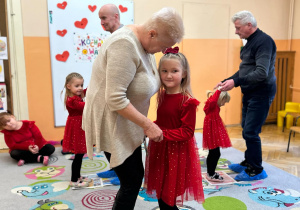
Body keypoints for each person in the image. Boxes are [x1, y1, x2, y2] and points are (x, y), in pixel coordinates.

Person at [82, 7, 184, 210]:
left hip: (128, 122)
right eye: (163, 45)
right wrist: (148, 125)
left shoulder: (144, 45)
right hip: (113, 122)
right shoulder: (124, 43)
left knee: (134, 177)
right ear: (152, 33)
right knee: (131, 182)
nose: (163, 51)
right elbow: (115, 98)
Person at [216, 10, 276, 181]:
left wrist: (235, 83)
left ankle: (256, 170)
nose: (236, 31)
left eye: (238, 28)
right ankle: (248, 162)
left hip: (261, 92)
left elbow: (262, 73)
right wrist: (227, 81)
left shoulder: (264, 42)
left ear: (249, 25)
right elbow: (245, 69)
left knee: (251, 131)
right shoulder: (250, 41)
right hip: (250, 91)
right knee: (246, 128)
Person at [144, 47, 204, 209]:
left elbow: (187, 132)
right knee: (161, 192)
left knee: (168, 196)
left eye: (174, 71)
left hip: (176, 152)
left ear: (184, 73)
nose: (168, 75)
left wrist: (161, 133)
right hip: (160, 148)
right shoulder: (162, 95)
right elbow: (164, 120)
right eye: (164, 71)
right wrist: (150, 126)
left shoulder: (187, 101)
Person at [96, 3, 124, 184]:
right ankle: (116, 169)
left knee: (119, 138)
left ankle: (122, 174)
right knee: (109, 136)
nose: (101, 22)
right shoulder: (113, 37)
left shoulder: (124, 37)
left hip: (120, 98)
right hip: (107, 97)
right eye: (99, 19)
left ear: (116, 16)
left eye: (104, 18)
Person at [61, 72, 91, 188]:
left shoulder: (76, 96)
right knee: (78, 155)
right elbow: (84, 106)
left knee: (80, 154)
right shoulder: (72, 100)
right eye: (77, 86)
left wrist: (94, 85)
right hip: (77, 127)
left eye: (81, 85)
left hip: (80, 125)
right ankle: (74, 180)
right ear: (69, 86)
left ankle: (77, 176)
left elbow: (86, 92)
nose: (80, 88)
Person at [202, 87, 231, 182]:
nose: (223, 104)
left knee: (214, 153)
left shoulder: (214, 106)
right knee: (215, 153)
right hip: (211, 132)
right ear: (219, 98)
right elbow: (213, 100)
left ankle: (211, 172)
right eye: (224, 101)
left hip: (214, 131)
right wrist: (218, 90)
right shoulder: (211, 105)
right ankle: (211, 174)